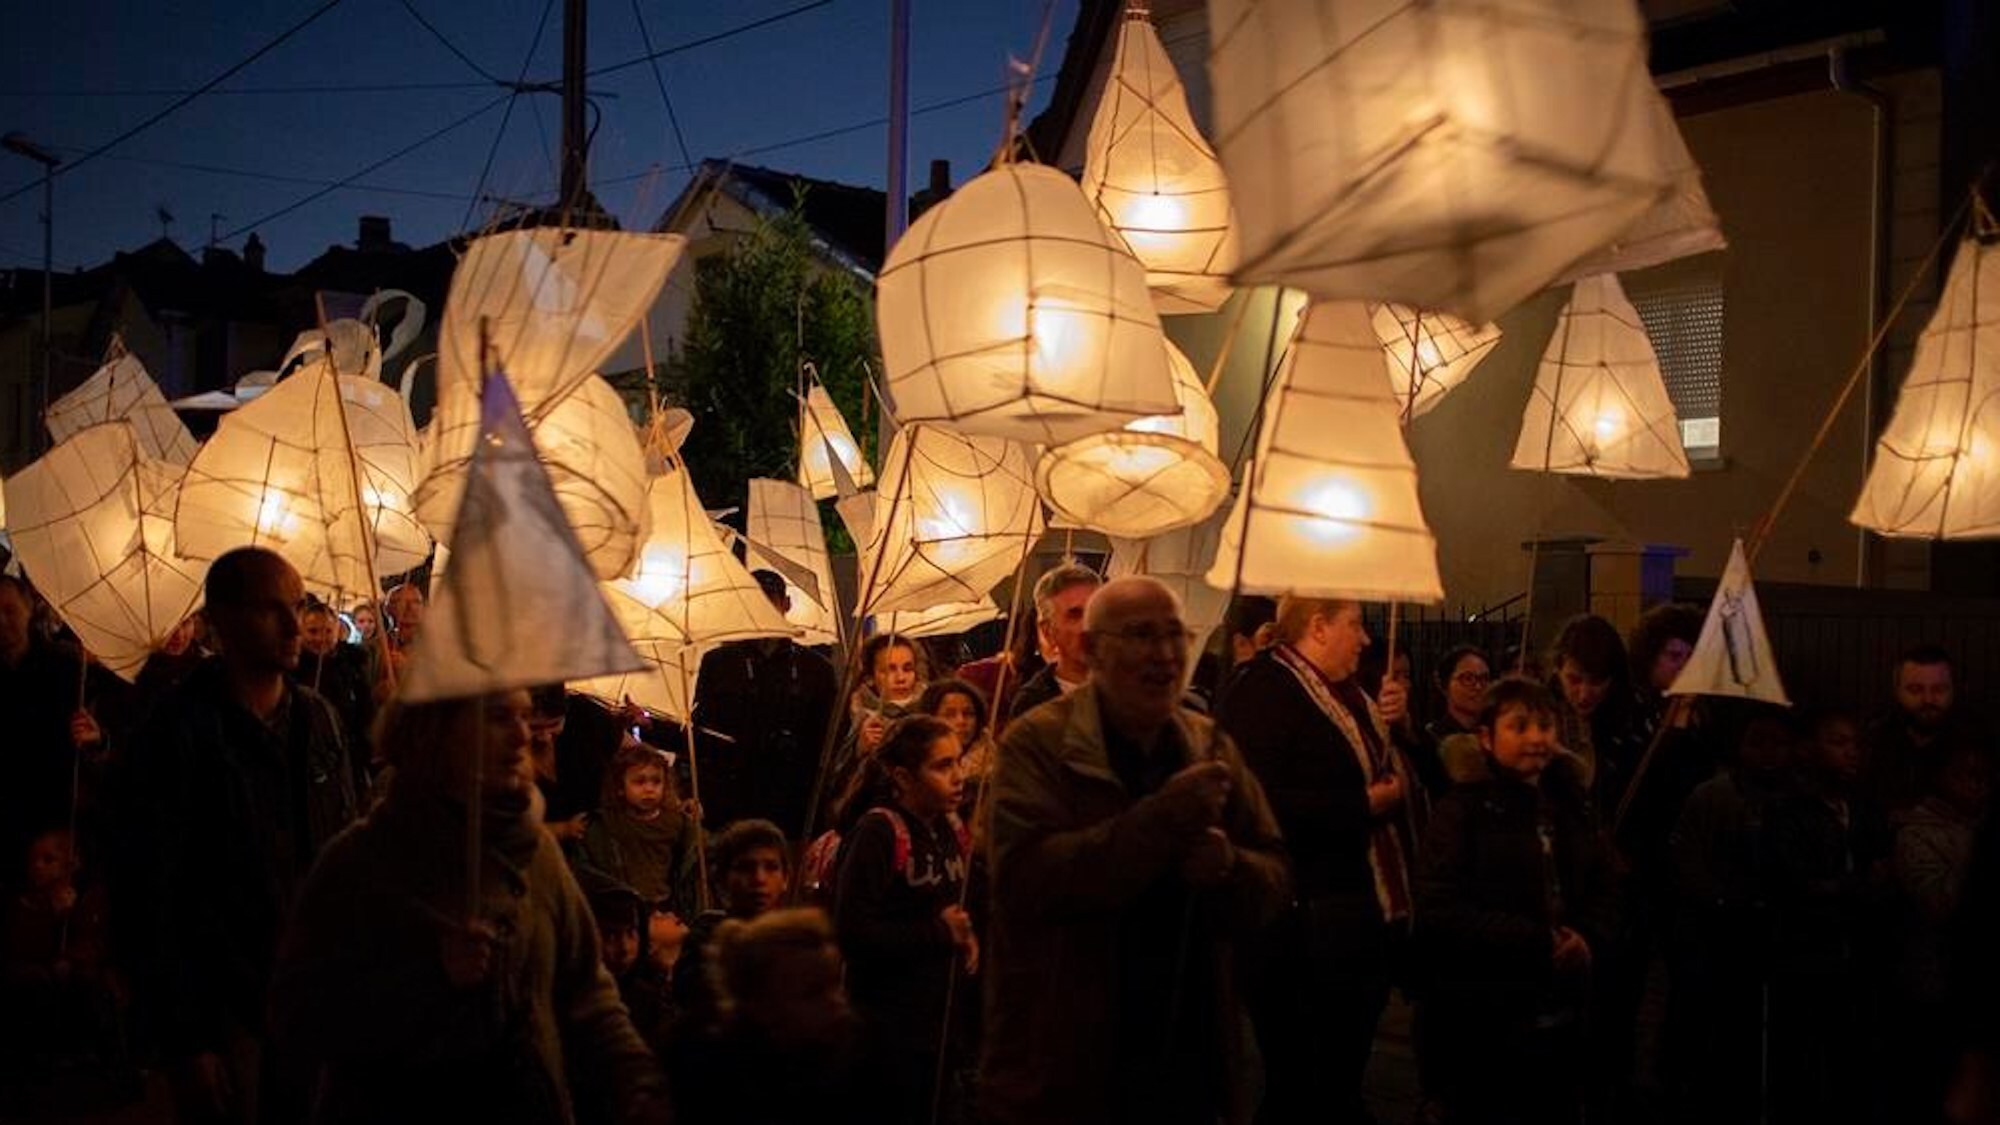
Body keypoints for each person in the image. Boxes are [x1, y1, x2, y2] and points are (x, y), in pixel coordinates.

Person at [270, 689, 666, 1125]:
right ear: (435, 736)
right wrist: (429, 978)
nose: (521, 734)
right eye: (498, 718)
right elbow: (301, 1012)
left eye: (523, 716)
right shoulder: (360, 863)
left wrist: (638, 1081)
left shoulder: (535, 854)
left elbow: (586, 990)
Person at [981, 575, 1288, 1125]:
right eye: (1141, 636)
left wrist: (1231, 867)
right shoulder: (1037, 744)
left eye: (1176, 636)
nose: (1164, 655)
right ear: (1094, 649)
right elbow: (1025, 880)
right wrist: (1158, 820)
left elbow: (1274, 871)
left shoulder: (1208, 746)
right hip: (1072, 1058)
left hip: (1190, 1054)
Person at [118, 547, 358, 1125]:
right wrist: (185, 1037)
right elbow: (151, 889)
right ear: (222, 620)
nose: (292, 625)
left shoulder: (318, 719)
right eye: (269, 610)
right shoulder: (176, 730)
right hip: (225, 1000)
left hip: (313, 988)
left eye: (297, 607)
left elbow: (344, 847)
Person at [1216, 596, 1420, 1125]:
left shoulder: (1355, 696)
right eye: (1355, 625)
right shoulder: (1263, 691)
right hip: (1298, 928)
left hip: (1355, 918)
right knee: (1302, 1083)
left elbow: (1399, 775)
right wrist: (1360, 807)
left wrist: (1404, 730)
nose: (1367, 639)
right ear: (1318, 626)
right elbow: (1255, 801)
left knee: (1339, 1077)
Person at [1416, 676, 1617, 1125]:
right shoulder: (1463, 811)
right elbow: (1441, 905)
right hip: (1487, 1008)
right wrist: (1533, 940)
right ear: (1486, 738)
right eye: (1519, 726)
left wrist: (1587, 935)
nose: (1535, 739)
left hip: (1564, 1003)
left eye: (1544, 725)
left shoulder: (1570, 803)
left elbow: (1603, 883)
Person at [829, 715, 977, 1124]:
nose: (958, 776)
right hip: (887, 1029)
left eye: (959, 761)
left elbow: (954, 902)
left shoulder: (949, 826)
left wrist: (968, 935)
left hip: (940, 1020)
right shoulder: (878, 832)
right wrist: (938, 933)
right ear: (903, 777)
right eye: (942, 766)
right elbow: (852, 933)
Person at [1764, 707, 1893, 1125]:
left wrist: (1847, 885)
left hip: (1854, 956)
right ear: (1810, 749)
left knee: (1850, 1062)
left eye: (1855, 743)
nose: (1851, 752)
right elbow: (1796, 884)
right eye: (1838, 743)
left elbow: (1882, 872)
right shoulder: (1789, 808)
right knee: (1798, 1062)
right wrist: (1854, 885)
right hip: (1804, 956)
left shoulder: (1862, 806)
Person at [1667, 705, 1795, 1123]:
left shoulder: (1795, 799)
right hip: (1714, 936)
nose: (1769, 754)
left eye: (1778, 743)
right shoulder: (1712, 796)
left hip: (1771, 936)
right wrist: (1723, 901)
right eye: (1758, 742)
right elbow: (1687, 860)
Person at [665, 908, 882, 1125]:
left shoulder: (854, 1057)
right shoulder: (710, 1073)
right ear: (761, 1004)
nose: (836, 1001)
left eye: (835, 985)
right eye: (812, 992)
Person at [693, 570, 839, 837]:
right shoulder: (719, 663)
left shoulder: (815, 669)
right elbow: (702, 732)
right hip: (732, 801)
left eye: (769, 601)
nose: (762, 610)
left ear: (786, 604)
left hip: (794, 802)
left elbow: (831, 739)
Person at [1890, 739, 1990, 1123]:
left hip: (1975, 983)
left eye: (1982, 776)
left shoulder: (1979, 826)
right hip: (1934, 979)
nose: (1975, 785)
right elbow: (1938, 902)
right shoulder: (1918, 832)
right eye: (1964, 775)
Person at [0, 576, 100, 893]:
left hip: (54, 813)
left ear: (29, 609)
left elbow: (96, 735)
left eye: (9, 610)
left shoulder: (66, 664)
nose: (1, 621)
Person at [576, 741, 704, 929]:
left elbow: (692, 856)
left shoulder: (675, 822)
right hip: (623, 908)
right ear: (620, 787)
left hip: (665, 905)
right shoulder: (607, 824)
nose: (649, 789)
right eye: (639, 781)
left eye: (656, 781)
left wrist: (694, 825)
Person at [1866, 645, 1971, 814]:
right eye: (1915, 690)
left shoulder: (1975, 743)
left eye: (1939, 689)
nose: (1928, 699)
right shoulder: (1874, 740)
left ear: (1954, 691)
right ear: (1897, 691)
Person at [297, 599, 375, 800]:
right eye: (313, 631)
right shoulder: (294, 667)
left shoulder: (352, 666)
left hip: (348, 752)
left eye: (327, 631)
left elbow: (365, 710)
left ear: (337, 631)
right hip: (306, 752)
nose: (321, 638)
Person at [1006, 564, 1102, 720]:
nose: (1089, 625)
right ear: (1048, 631)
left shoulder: (1136, 688)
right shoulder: (1034, 705)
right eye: (1075, 615)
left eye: (1096, 610)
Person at [919, 677, 995, 815]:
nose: (961, 721)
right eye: (949, 714)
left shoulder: (994, 763)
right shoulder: (920, 764)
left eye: (968, 714)